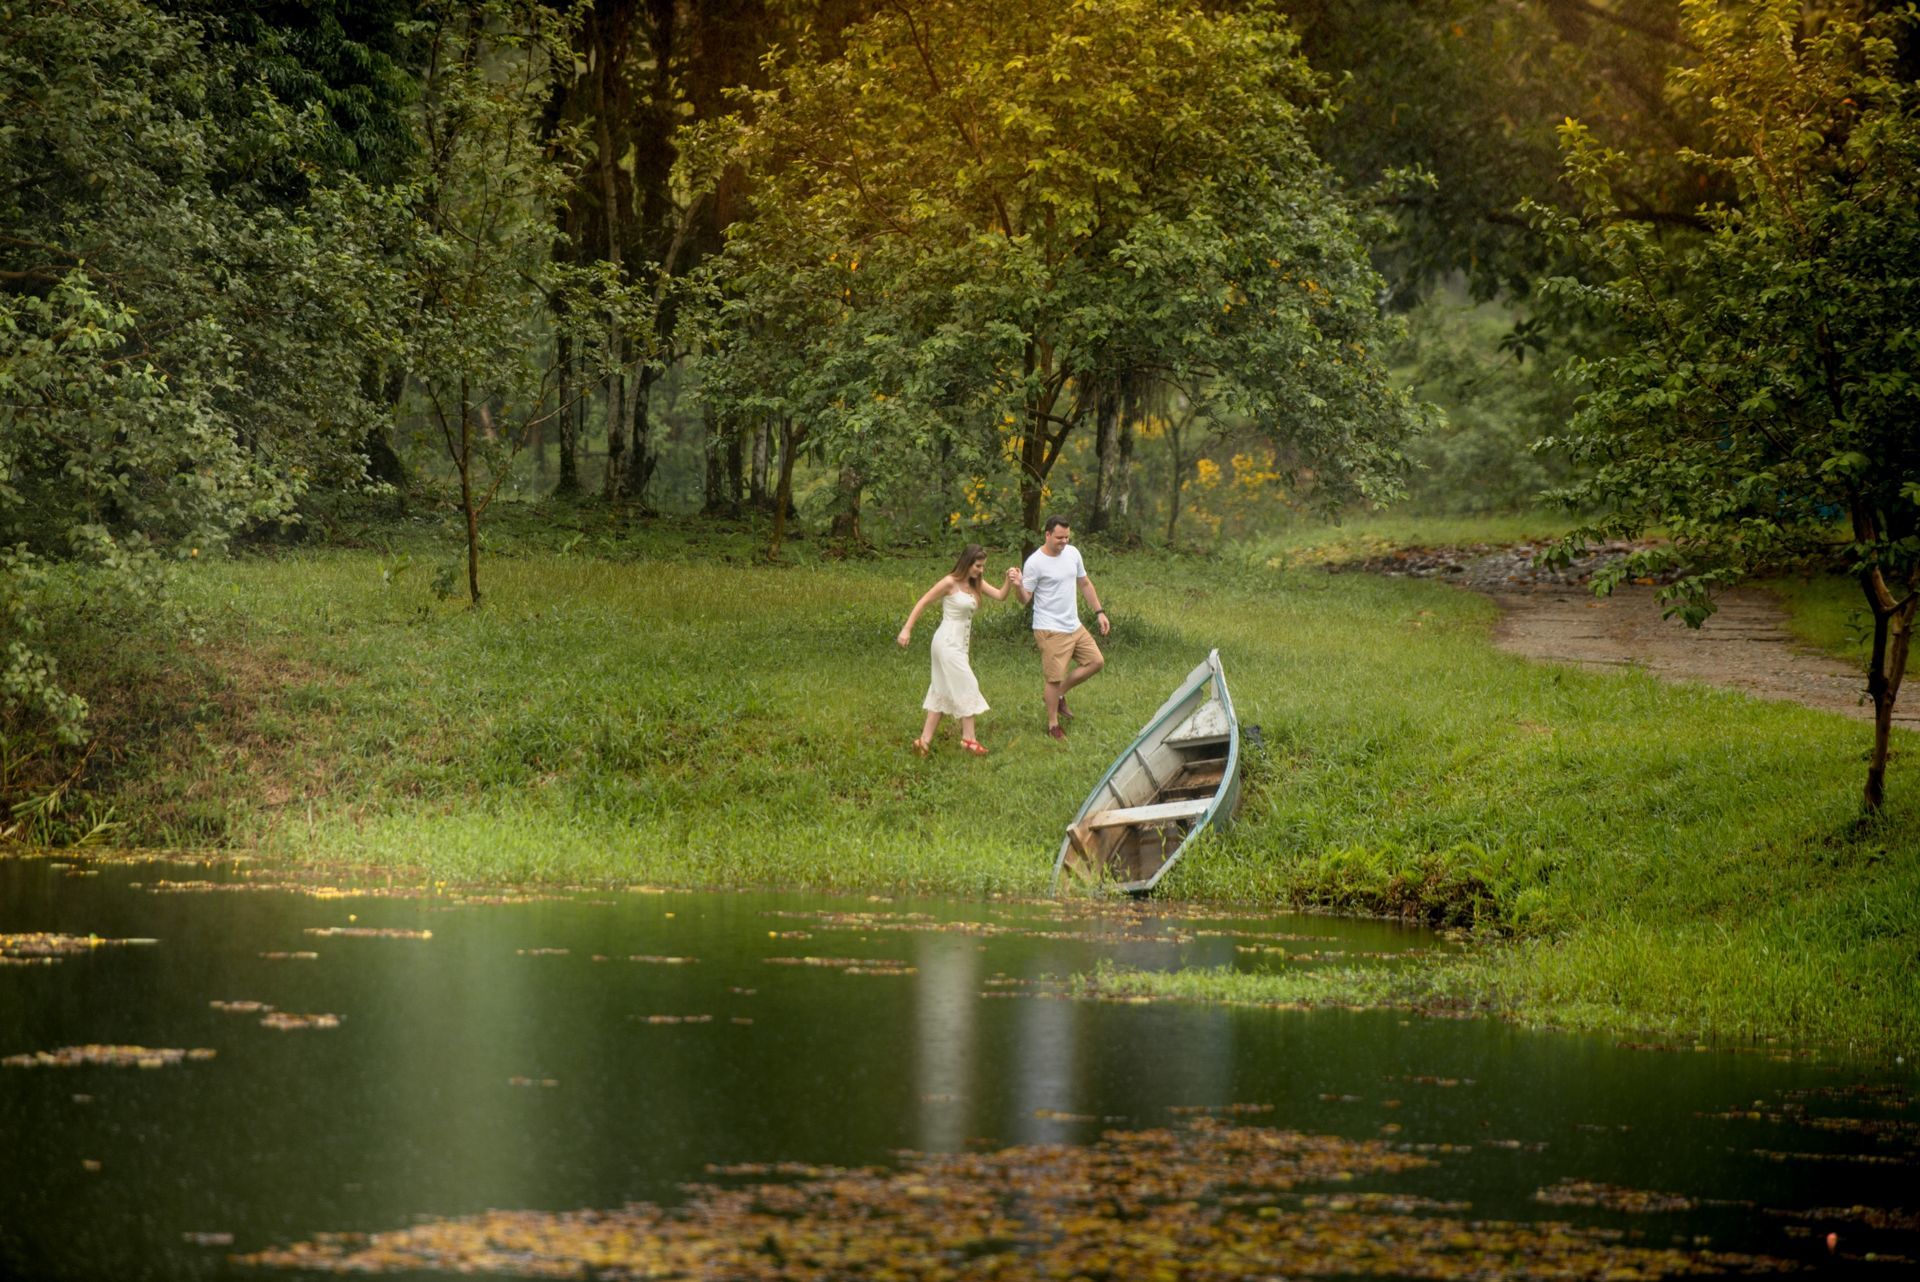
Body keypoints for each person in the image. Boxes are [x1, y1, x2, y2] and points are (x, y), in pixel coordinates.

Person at [897, 543, 1019, 756]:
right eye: (977, 566)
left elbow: (1000, 595)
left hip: (959, 645)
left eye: (982, 567)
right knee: (968, 683)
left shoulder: (975, 584)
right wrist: (906, 629)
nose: (980, 570)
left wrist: (1009, 581)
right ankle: (968, 739)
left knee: (941, 689)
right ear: (967, 562)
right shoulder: (949, 582)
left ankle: (923, 742)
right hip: (946, 642)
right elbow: (923, 601)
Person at [1016, 516, 1108, 741]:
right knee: (1053, 679)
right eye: (1059, 537)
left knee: (1096, 661)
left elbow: (1084, 583)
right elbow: (1025, 599)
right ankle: (1052, 724)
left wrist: (1099, 612)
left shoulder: (1073, 553)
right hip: (1050, 629)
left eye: (1067, 537)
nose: (1064, 541)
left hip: (1073, 624)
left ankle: (1058, 695)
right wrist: (1018, 585)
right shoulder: (1035, 562)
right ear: (1047, 535)